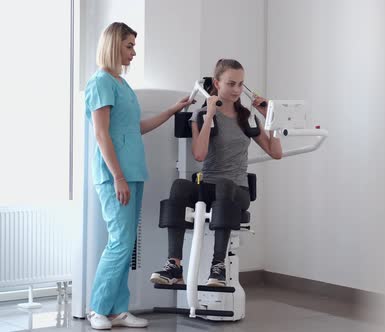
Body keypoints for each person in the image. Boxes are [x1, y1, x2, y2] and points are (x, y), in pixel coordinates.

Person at [84, 22, 193, 330]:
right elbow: (102, 135)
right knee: (120, 242)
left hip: (133, 172)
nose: (133, 51)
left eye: (134, 46)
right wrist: (117, 176)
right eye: (129, 45)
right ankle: (97, 308)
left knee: (126, 242)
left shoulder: (121, 84)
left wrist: (172, 110)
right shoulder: (101, 82)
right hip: (114, 175)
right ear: (113, 45)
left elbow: (137, 128)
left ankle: (118, 310)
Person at [150, 58, 282, 288]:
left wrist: (272, 119)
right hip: (209, 186)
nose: (237, 90)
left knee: (225, 185)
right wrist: (210, 114)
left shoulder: (248, 117)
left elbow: (275, 152)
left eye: (241, 84)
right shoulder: (201, 115)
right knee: (180, 187)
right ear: (217, 84)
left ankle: (217, 267)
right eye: (231, 84)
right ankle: (174, 266)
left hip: (237, 191)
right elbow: (199, 155)